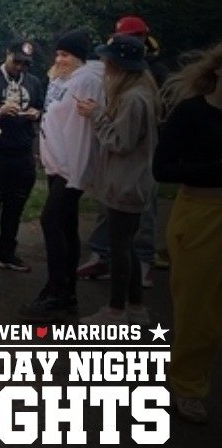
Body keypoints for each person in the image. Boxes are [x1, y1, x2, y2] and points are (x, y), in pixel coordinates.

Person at [152, 40, 222, 425]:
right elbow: (162, 170)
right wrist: (216, 168)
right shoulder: (191, 113)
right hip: (201, 216)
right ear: (218, 69)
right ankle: (188, 384)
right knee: (198, 312)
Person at [18, 29, 104, 321]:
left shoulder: (88, 81)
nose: (59, 59)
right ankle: (65, 294)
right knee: (66, 227)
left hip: (71, 169)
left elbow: (83, 133)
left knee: (51, 222)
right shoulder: (63, 78)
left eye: (65, 54)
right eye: (58, 53)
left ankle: (58, 294)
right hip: (57, 167)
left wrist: (77, 174)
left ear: (79, 57)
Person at [78, 15, 168, 287]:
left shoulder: (135, 95)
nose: (103, 66)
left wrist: (97, 116)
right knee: (121, 239)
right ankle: (129, 291)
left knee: (126, 243)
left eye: (107, 61)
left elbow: (121, 141)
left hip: (128, 181)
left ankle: (129, 286)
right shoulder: (137, 88)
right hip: (127, 179)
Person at [0, 40, 44, 272]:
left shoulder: (34, 82)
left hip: (23, 150)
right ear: (7, 54)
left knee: (16, 204)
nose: (20, 67)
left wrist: (36, 113)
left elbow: (41, 107)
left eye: (25, 64)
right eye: (17, 61)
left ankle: (8, 252)